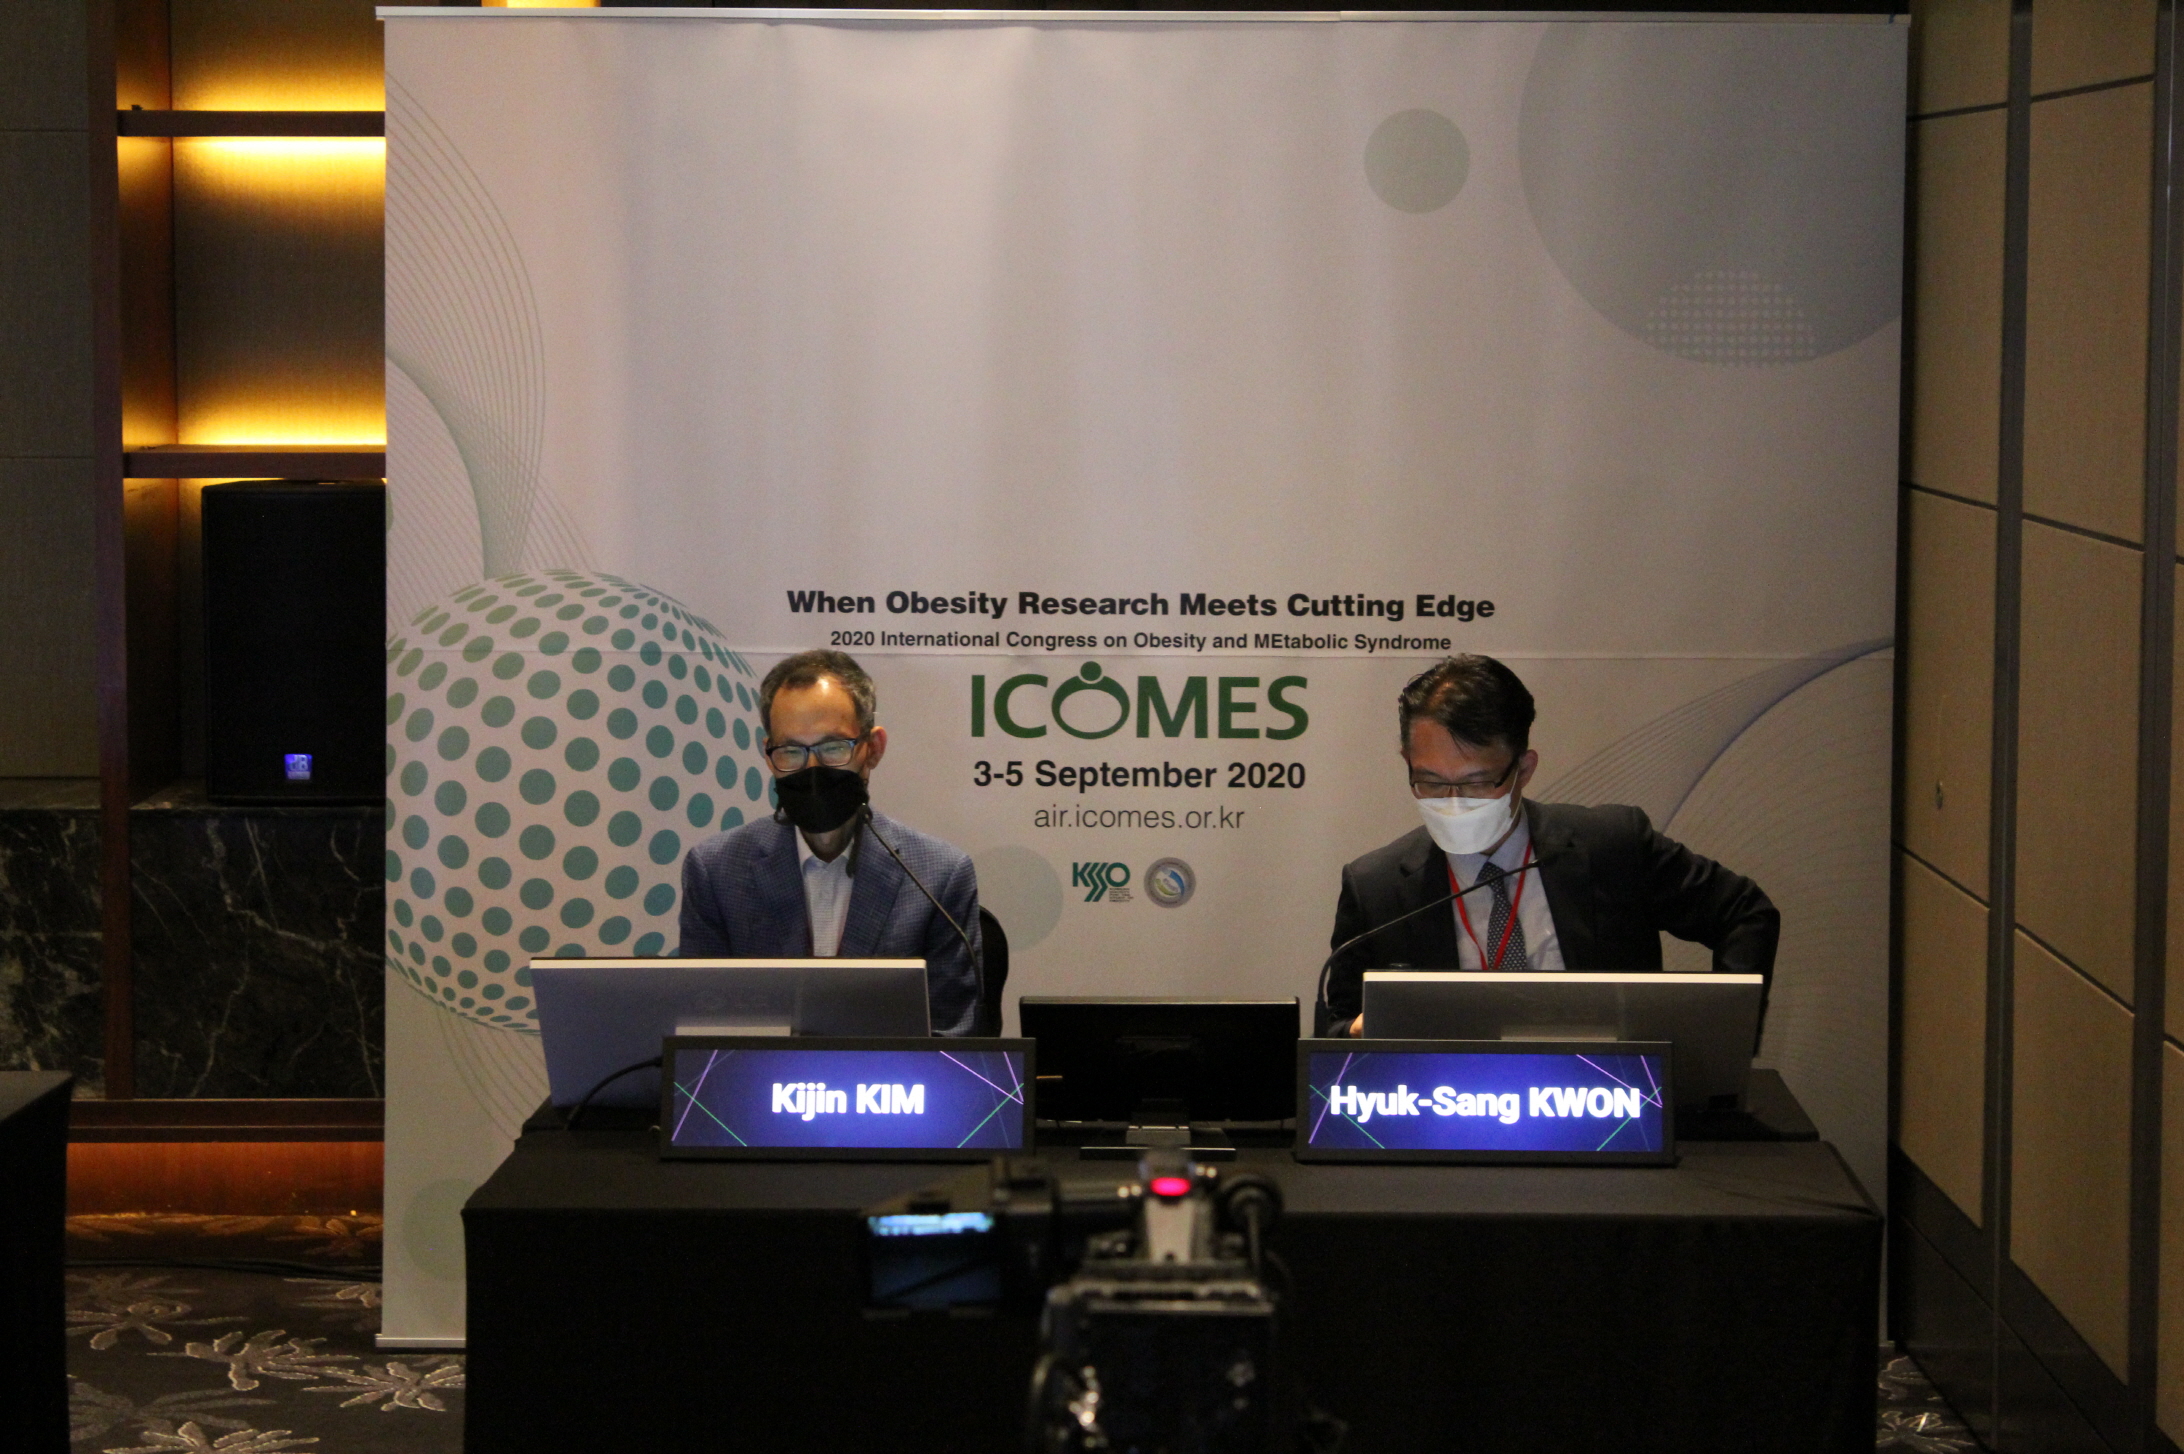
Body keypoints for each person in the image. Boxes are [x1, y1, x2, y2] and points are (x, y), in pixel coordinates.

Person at [1319, 654, 1778, 1036]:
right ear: (1407, 762)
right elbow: (1335, 1029)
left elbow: (1744, 913)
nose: (1453, 803)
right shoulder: (1376, 888)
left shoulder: (1613, 846)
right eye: (1431, 781)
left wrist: (1720, 1038)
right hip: (1451, 1103)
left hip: (1606, 1096)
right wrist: (1361, 1030)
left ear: (1524, 769)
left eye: (1478, 782)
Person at [679, 649, 983, 1036]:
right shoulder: (716, 872)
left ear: (873, 749)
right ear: (769, 756)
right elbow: (702, 1038)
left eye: (833, 748)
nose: (813, 769)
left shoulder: (939, 876)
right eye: (791, 751)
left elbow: (952, 1043)